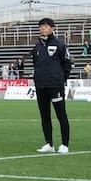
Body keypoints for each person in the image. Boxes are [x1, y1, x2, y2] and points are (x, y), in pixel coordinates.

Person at [28, 17, 73, 154]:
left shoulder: (59, 45)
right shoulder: (37, 46)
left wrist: (60, 79)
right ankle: (49, 143)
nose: (43, 28)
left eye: (46, 26)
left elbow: (67, 64)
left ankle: (65, 144)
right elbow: (37, 64)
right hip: (41, 86)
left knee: (61, 115)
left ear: (52, 28)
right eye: (41, 26)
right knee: (45, 116)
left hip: (55, 86)